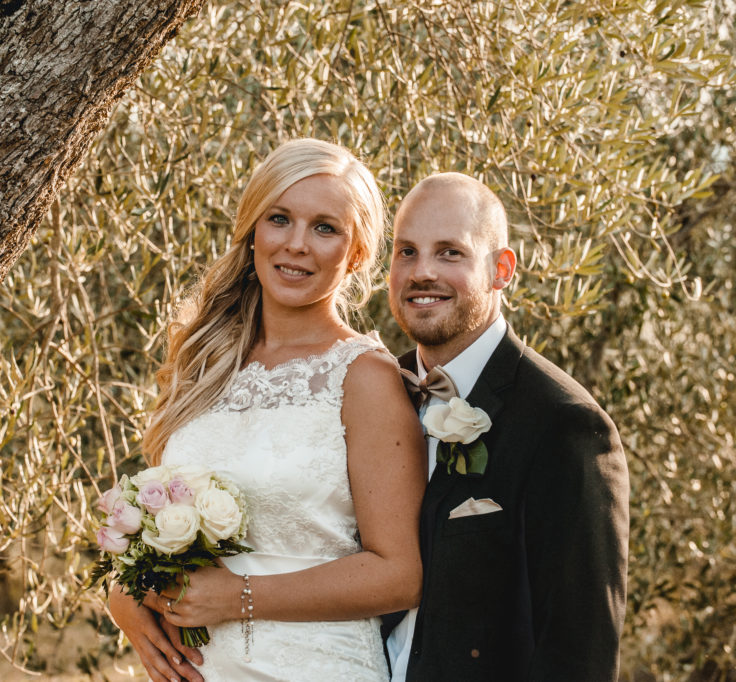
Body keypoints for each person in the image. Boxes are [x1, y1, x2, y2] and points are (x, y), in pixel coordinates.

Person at [107, 138, 427, 682]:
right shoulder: (203, 361)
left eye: (325, 228)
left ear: (355, 253)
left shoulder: (365, 379)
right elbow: (158, 521)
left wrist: (241, 597)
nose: (297, 244)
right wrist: (124, 591)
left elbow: (399, 576)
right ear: (254, 230)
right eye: (280, 219)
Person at [382, 172, 630, 681]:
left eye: (450, 252)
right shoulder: (376, 396)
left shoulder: (565, 424)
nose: (421, 271)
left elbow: (577, 652)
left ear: (502, 269)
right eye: (407, 251)